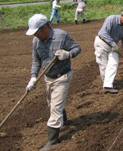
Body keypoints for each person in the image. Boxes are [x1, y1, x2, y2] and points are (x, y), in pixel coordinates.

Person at [25, 13, 81, 151]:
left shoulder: (62, 35)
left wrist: (68, 54)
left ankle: (52, 141)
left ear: (45, 28)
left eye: (37, 32)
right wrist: (33, 77)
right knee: (52, 104)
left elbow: (77, 48)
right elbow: (36, 60)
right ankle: (64, 120)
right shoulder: (36, 41)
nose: (35, 36)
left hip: (62, 76)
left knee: (55, 107)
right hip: (48, 77)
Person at [94, 8, 123, 93]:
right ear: (122, 15)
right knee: (103, 65)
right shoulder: (111, 19)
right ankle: (107, 84)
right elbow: (103, 33)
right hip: (102, 43)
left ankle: (107, 85)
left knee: (114, 63)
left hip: (113, 46)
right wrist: (113, 44)